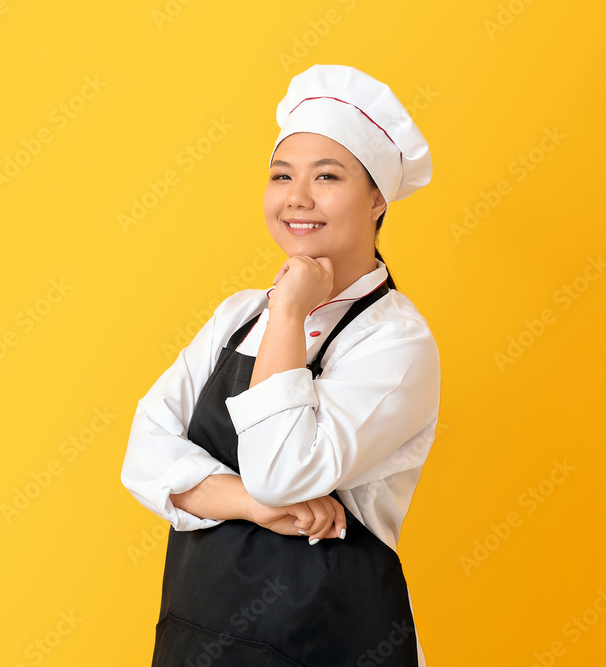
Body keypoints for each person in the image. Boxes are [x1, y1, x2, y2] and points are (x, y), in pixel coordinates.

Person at [120, 64, 441, 666]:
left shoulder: (396, 342)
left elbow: (283, 473)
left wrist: (291, 313)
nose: (297, 197)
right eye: (281, 175)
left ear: (378, 198)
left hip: (333, 643)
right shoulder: (239, 315)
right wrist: (250, 504)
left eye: (327, 175)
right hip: (204, 636)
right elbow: (143, 452)